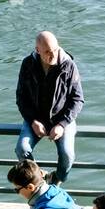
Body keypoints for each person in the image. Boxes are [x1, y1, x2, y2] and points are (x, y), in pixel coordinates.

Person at [14, 31, 84, 186]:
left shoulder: (69, 65)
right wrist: (32, 121)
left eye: (55, 50)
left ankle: (56, 179)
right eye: (47, 52)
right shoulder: (28, 64)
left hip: (62, 119)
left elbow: (78, 99)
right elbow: (21, 97)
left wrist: (62, 124)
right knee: (21, 149)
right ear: (37, 50)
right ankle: (39, 179)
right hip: (35, 118)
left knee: (67, 155)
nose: (52, 55)